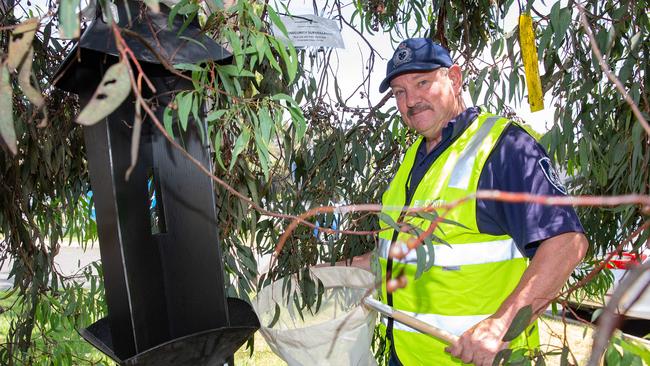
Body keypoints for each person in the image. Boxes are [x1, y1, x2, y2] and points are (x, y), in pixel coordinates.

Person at [362, 38, 589, 366]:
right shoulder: (414, 158)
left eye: (422, 83)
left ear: (454, 79)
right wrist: (350, 270)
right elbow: (408, 249)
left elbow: (567, 243)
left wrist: (500, 326)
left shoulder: (503, 148)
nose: (410, 100)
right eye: (399, 92)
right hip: (409, 358)